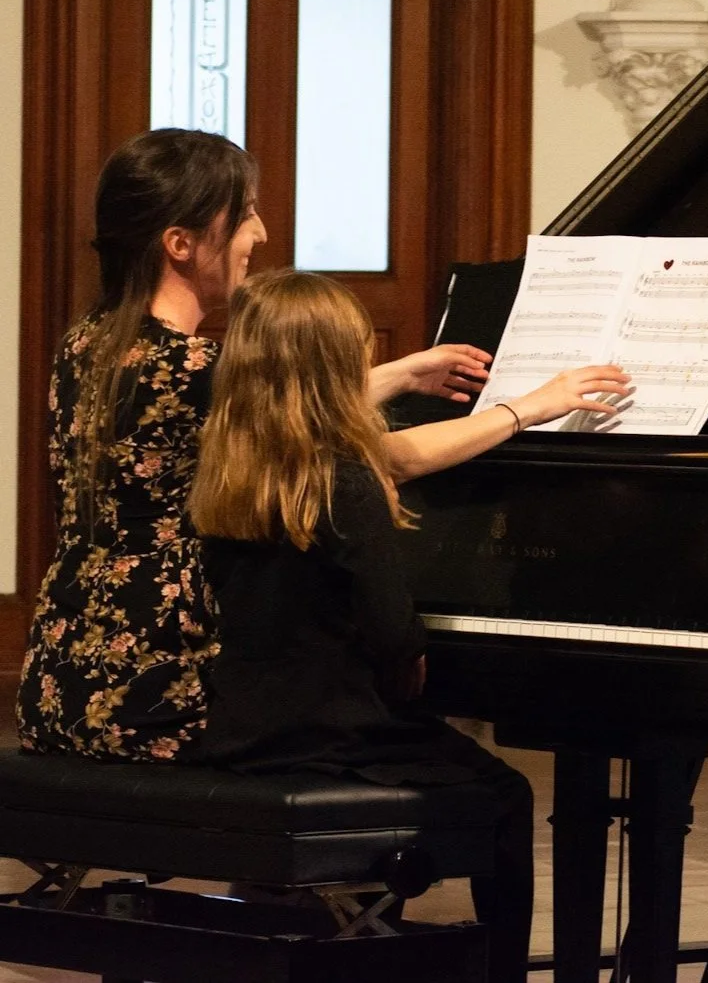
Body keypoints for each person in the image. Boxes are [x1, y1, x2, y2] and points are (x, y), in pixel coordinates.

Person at [14, 128, 523, 759]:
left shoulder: (88, 344)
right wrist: (525, 409)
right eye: (245, 214)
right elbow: (382, 457)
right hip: (172, 687)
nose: (259, 233)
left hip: (65, 674)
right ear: (180, 243)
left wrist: (399, 373)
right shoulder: (199, 369)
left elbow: (264, 409)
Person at [188, 268, 627, 983]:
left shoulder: (229, 462)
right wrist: (413, 652)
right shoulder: (348, 478)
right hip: (334, 735)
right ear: (340, 369)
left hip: (247, 727)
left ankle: (356, 936)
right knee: (506, 795)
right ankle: (496, 972)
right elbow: (393, 633)